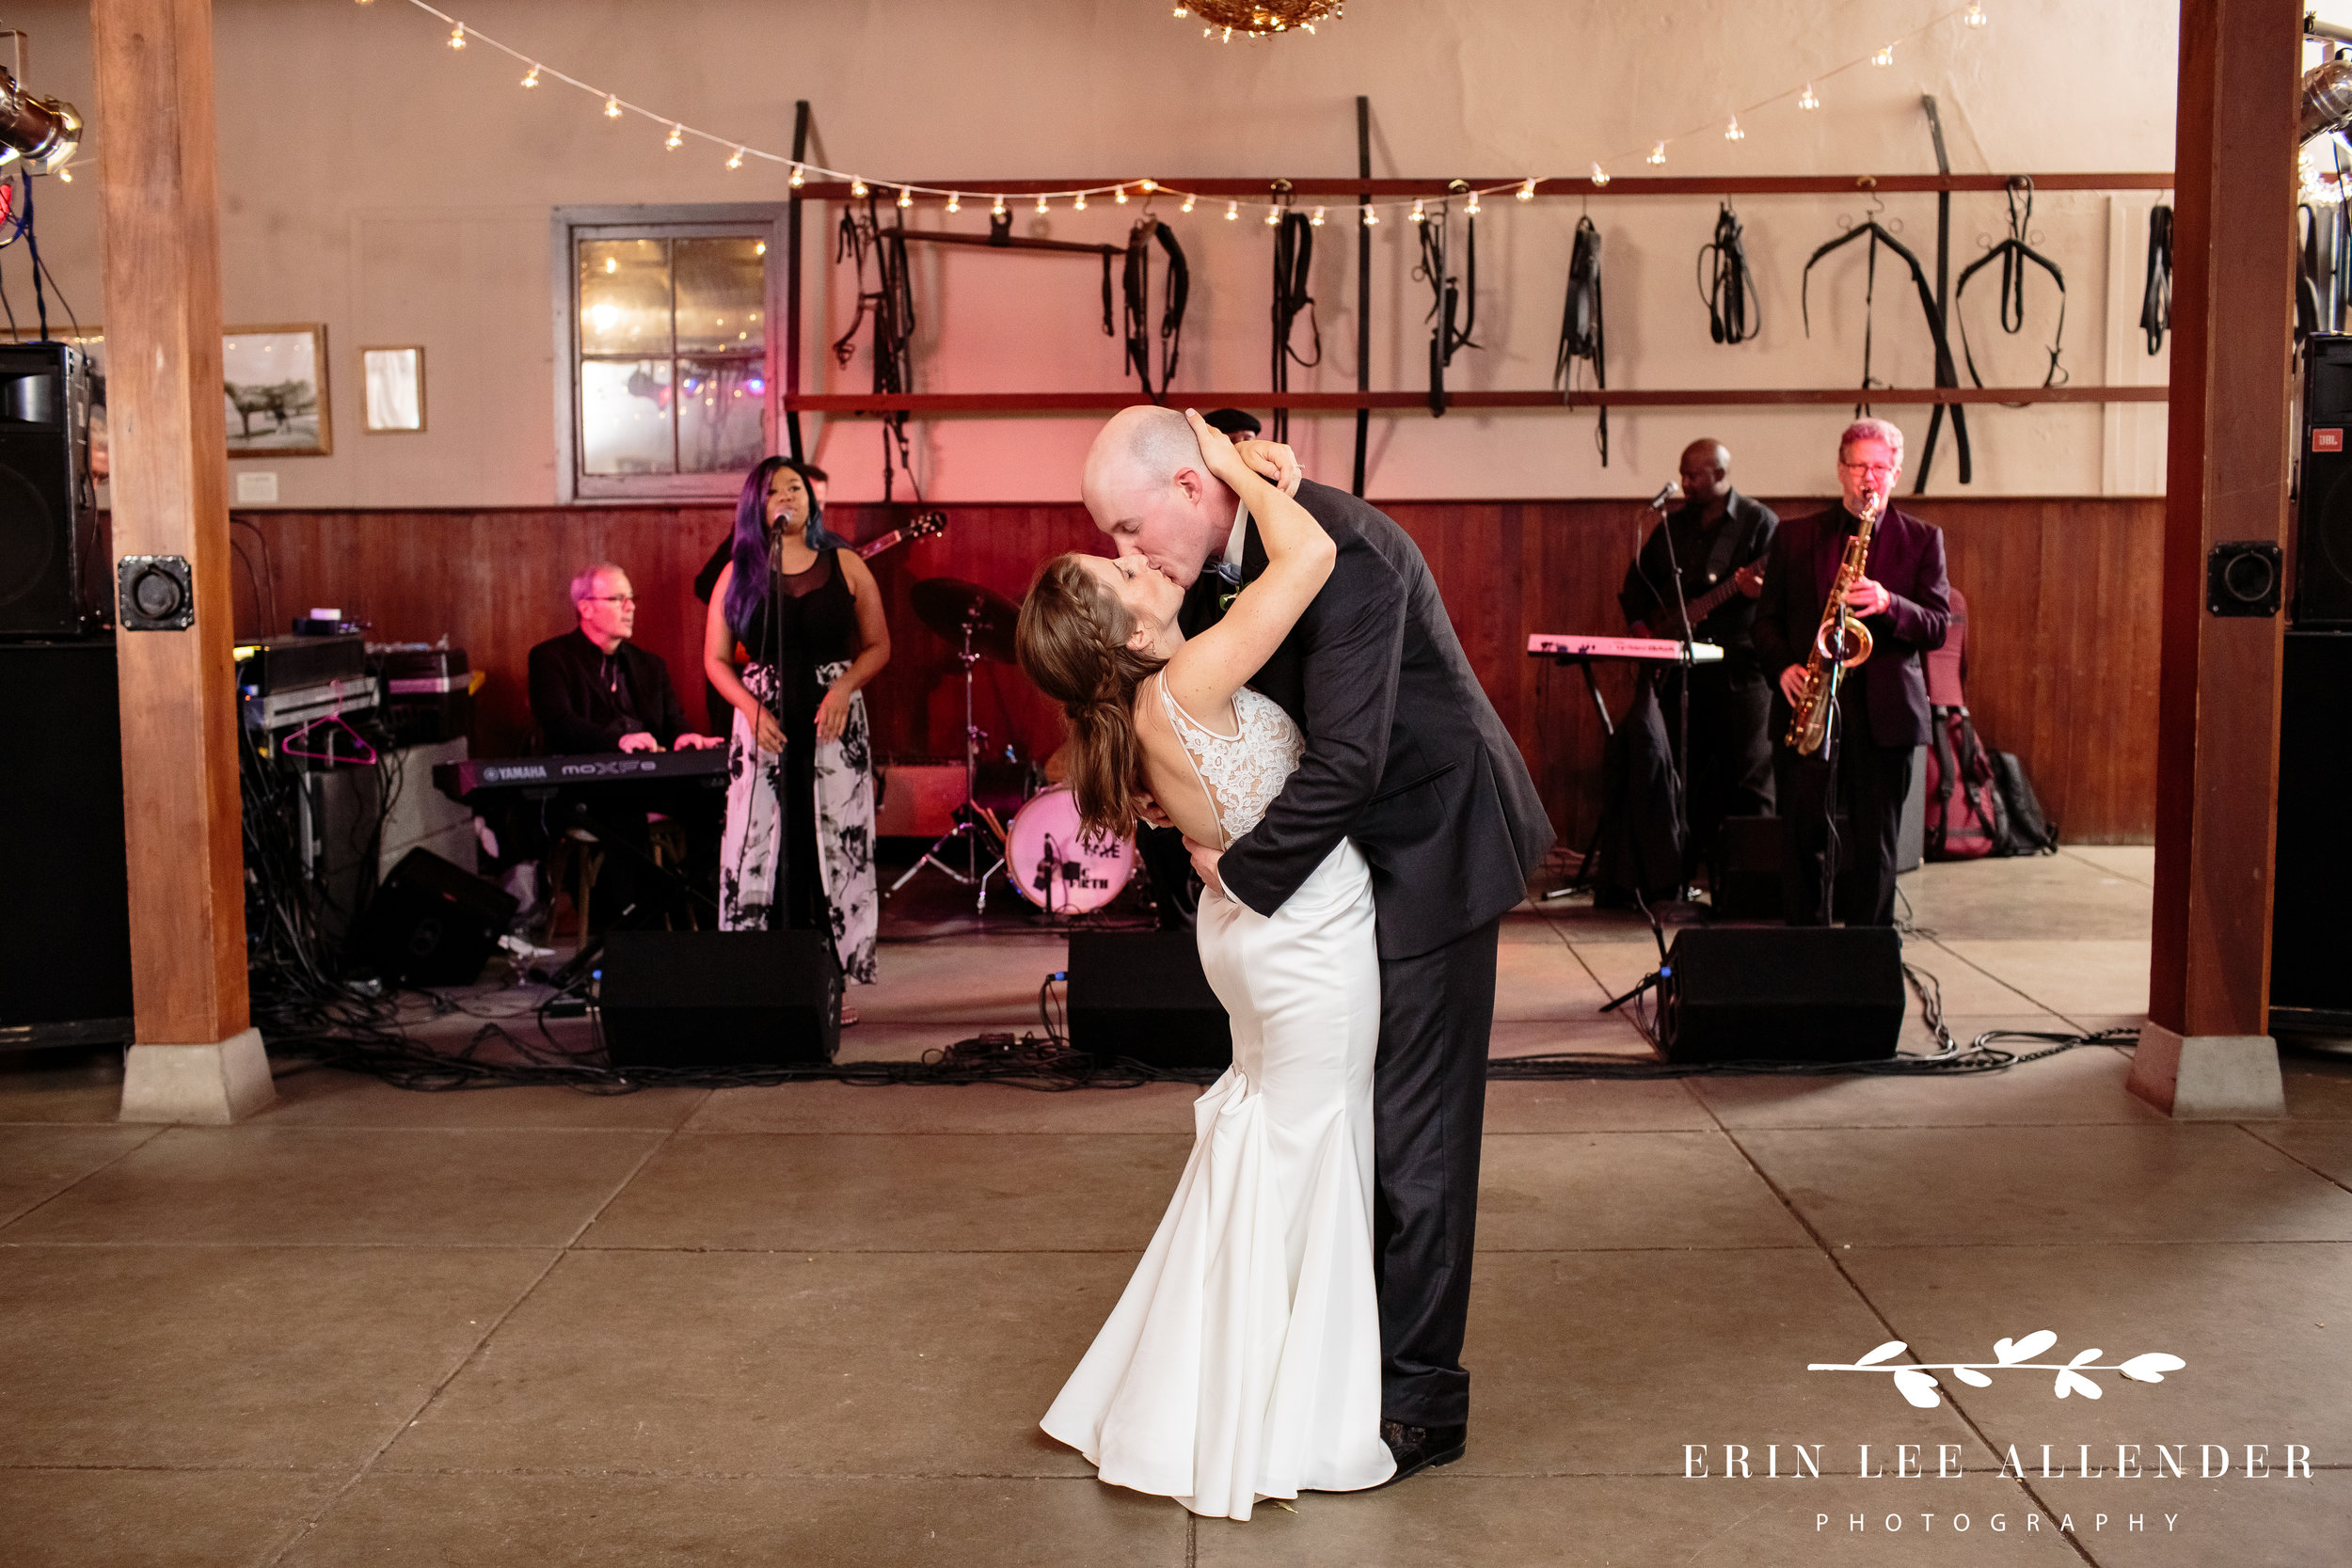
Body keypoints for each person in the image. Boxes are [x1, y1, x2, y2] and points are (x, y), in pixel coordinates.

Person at [1030, 405, 1554, 1514]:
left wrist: (1241, 876)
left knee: (1415, 1140)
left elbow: (1352, 758)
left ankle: (1417, 1402)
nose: (1132, 555)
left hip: (1431, 845)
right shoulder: (1225, 559)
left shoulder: (1338, 547)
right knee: (1341, 1135)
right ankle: (1323, 1371)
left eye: (1130, 527)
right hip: (1328, 881)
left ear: (1187, 485)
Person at [704, 455, 891, 1006]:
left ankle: (831, 983)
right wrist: (750, 708)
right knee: (764, 843)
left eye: (795, 488)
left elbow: (879, 645)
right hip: (765, 723)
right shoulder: (737, 571)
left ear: (811, 499)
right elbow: (715, 660)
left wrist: (843, 688)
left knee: (828, 847)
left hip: (832, 721)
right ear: (755, 507)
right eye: (772, 492)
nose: (786, 497)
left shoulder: (847, 564)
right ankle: (761, 977)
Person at [1753, 418, 1951, 927]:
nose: (1870, 477)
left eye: (1881, 467)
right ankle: (1803, 952)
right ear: (1841, 470)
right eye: (1860, 465)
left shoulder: (1923, 540)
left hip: (1884, 717)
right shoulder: (1793, 536)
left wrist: (1889, 603)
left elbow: (1935, 627)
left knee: (1875, 846)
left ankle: (1869, 956)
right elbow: (1765, 622)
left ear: (1897, 473)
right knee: (1800, 840)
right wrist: (1784, 669)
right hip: (1810, 702)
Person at [525, 563, 723, 930]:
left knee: (717, 799)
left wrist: (685, 738)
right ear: (586, 608)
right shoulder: (550, 659)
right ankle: (640, 934)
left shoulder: (650, 665)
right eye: (619, 599)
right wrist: (617, 741)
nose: (630, 607)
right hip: (590, 789)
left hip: (649, 782)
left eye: (632, 599)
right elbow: (560, 725)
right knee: (623, 813)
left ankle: (699, 913)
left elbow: (673, 723)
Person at [1616, 439, 1779, 884]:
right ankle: (1674, 880)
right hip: (1680, 671)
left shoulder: (1758, 523)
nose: (1685, 483)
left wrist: (1756, 591)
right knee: (1681, 779)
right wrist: (1643, 635)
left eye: (1695, 476)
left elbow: (1782, 594)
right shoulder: (1670, 527)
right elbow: (1635, 587)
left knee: (1749, 780)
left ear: (1721, 475)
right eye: (1683, 474)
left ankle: (1754, 887)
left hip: (1739, 673)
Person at [693, 458, 842, 732]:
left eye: (820, 502)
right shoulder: (747, 547)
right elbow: (704, 586)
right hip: (755, 681)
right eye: (779, 491)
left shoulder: (835, 554)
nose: (790, 499)